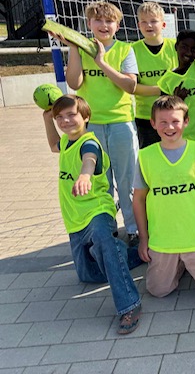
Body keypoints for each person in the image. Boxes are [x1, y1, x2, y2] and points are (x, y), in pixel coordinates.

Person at [42, 94, 142, 334]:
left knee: (106, 245)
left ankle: (129, 305)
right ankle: (135, 254)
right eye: (59, 117)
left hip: (97, 211)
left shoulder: (89, 142)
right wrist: (47, 118)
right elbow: (54, 145)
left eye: (71, 115)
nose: (65, 121)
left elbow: (89, 158)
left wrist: (85, 175)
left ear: (86, 117)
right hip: (75, 218)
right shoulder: (66, 142)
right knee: (89, 274)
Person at [54, 1, 140, 245]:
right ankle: (107, 229)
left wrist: (102, 61)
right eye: (98, 20)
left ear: (118, 25)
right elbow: (75, 83)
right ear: (89, 23)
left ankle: (133, 229)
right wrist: (74, 48)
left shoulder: (125, 49)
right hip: (91, 127)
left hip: (121, 122)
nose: (104, 25)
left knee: (127, 180)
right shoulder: (83, 50)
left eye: (109, 21)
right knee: (101, 181)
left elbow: (130, 85)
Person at [133, 96, 195, 298]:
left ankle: (187, 261)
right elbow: (138, 199)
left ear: (186, 121)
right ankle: (179, 263)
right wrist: (144, 238)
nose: (170, 127)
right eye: (163, 122)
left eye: (175, 121)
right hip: (163, 239)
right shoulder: (145, 156)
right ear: (153, 123)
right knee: (158, 291)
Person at [131, 2, 178, 148]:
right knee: (150, 158)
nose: (149, 25)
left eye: (153, 21)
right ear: (138, 25)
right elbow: (132, 87)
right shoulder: (132, 50)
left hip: (174, 115)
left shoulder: (176, 47)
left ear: (163, 24)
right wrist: (161, 90)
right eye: (144, 22)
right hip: (146, 117)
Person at [157, 30, 195, 143]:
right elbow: (163, 112)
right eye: (184, 47)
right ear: (176, 47)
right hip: (183, 137)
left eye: (193, 49)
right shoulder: (167, 80)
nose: (189, 52)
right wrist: (176, 100)